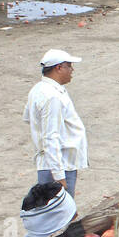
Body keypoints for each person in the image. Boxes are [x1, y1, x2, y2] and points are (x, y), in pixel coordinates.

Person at [24, 49, 87, 197]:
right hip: (58, 165)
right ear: (59, 68)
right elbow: (50, 137)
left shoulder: (39, 89)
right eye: (69, 66)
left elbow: (28, 117)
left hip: (52, 163)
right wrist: (59, 176)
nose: (72, 70)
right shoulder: (53, 97)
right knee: (59, 214)